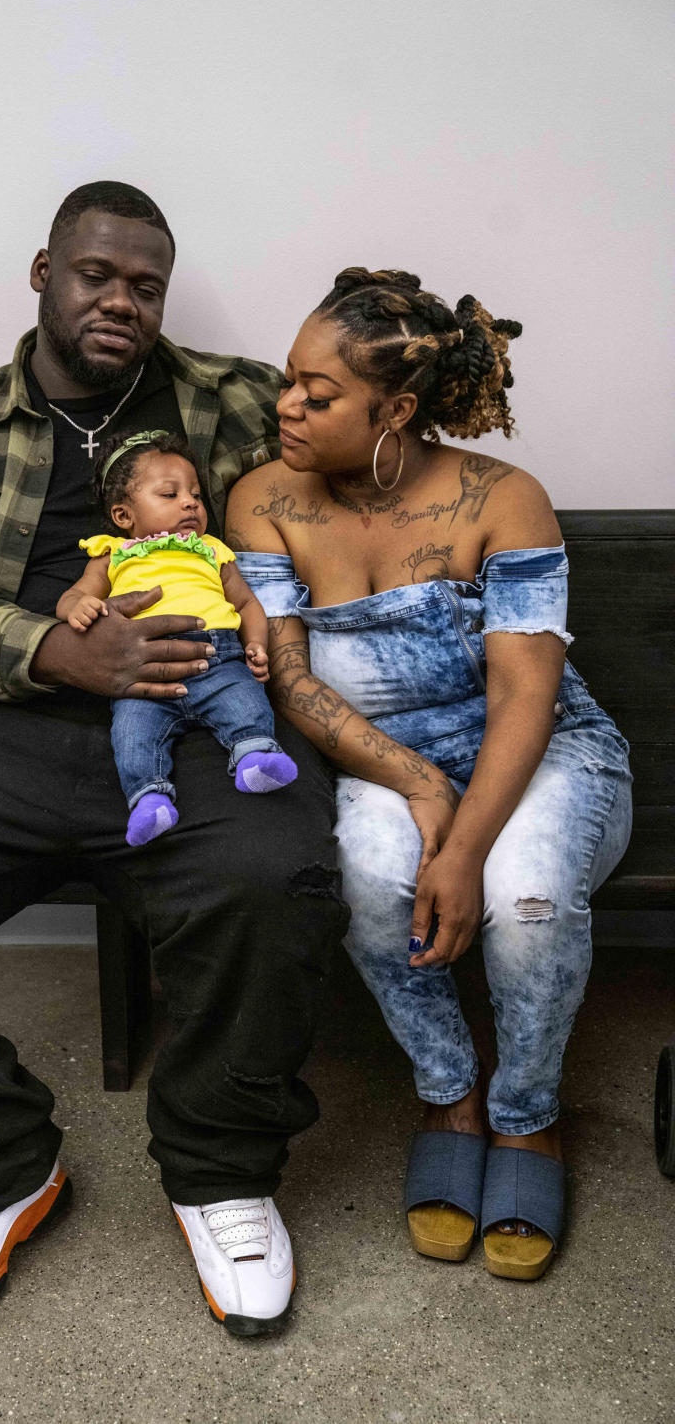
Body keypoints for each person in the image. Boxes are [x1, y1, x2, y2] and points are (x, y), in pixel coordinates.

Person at [0, 183, 349, 1338]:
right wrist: (52, 650)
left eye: (145, 285)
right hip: (0, 710)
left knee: (273, 872)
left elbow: (366, 416)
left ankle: (222, 1166)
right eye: (97, 275)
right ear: (45, 272)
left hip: (196, 705)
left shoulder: (234, 399)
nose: (120, 300)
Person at [226, 267, 632, 1281]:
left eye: (318, 395)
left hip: (539, 751)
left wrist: (464, 841)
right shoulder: (263, 498)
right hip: (378, 754)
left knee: (524, 896)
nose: (287, 405)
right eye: (288, 381)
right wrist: (416, 785)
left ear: (395, 409)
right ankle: (449, 1091)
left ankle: (527, 1117)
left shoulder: (502, 499)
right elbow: (288, 679)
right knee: (369, 884)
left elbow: (525, 698)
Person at [57, 429, 297, 845]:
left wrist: (257, 644)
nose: (189, 502)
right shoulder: (112, 553)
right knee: (132, 732)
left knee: (245, 699)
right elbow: (75, 595)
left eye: (196, 495)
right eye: (169, 495)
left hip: (217, 656)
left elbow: (246, 605)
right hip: (141, 669)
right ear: (123, 516)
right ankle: (149, 798)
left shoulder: (211, 550)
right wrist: (77, 608)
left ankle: (255, 755)